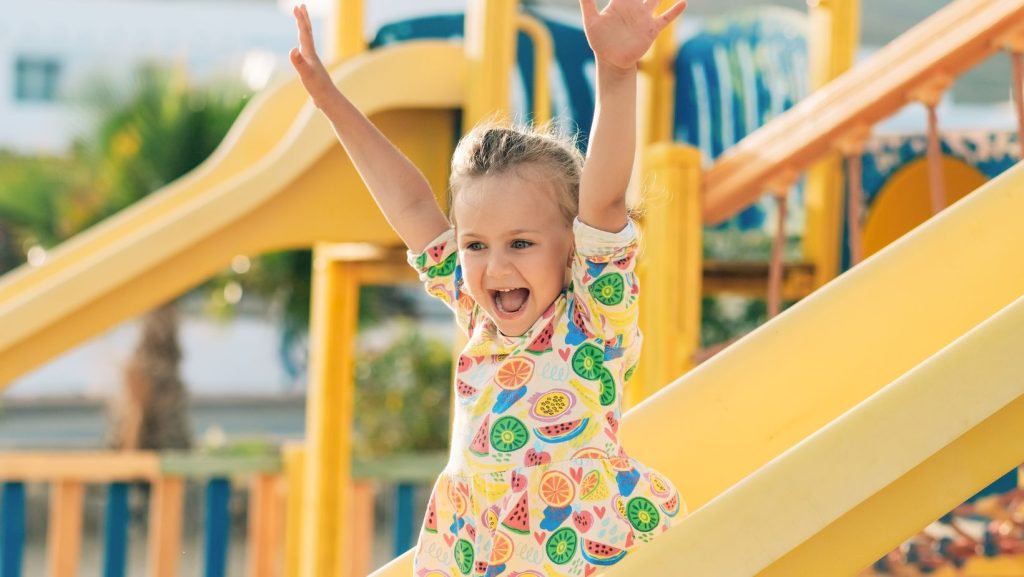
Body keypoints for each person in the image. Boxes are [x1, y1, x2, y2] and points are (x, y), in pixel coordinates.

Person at [290, 0, 688, 574]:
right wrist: (329, 100)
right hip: (482, 555)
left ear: (572, 245)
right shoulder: (479, 316)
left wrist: (617, 74)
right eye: (476, 245)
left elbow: (602, 201)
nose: (495, 268)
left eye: (521, 244)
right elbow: (410, 202)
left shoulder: (592, 315)